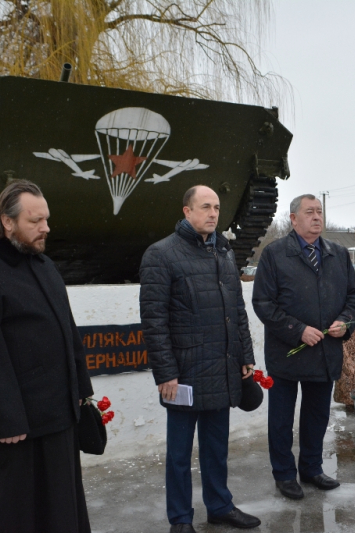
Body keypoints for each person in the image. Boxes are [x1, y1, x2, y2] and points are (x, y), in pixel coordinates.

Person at [0, 180, 94, 533]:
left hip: (57, 421)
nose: (46, 228)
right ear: (7, 222)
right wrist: (5, 420)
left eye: (46, 219)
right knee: (12, 517)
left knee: (57, 514)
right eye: (35, 221)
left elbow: (67, 332)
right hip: (15, 432)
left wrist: (80, 390)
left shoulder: (43, 265)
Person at [139, 185, 261, 533]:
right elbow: (154, 321)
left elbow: (236, 310)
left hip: (222, 367)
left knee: (216, 447)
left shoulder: (223, 253)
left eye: (217, 207)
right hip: (183, 374)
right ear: (186, 211)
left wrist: (245, 356)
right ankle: (180, 519)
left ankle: (220, 505)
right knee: (179, 454)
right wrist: (165, 373)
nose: (212, 213)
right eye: (205, 207)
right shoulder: (161, 255)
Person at [252, 194, 355, 500]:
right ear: (294, 219)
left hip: (326, 352)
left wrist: (346, 321)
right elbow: (262, 302)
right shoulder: (275, 254)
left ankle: (312, 469)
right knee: (282, 420)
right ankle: (285, 474)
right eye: (309, 212)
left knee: (317, 416)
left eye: (319, 212)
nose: (316, 217)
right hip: (287, 353)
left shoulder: (338, 253)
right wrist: (297, 330)